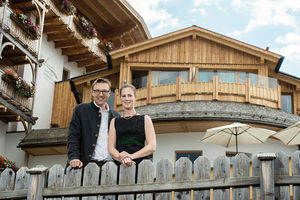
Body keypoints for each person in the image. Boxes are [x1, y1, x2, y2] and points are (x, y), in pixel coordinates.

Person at [67, 78, 120, 168]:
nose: (100, 94)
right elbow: (73, 136)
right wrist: (74, 157)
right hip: (86, 165)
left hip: (110, 166)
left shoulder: (116, 116)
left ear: (109, 93)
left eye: (104, 91)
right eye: (97, 91)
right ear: (92, 92)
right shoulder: (80, 110)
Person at [108, 84, 156, 167]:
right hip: (120, 164)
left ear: (135, 97)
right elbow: (111, 148)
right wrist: (122, 159)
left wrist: (131, 157)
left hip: (141, 164)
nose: (127, 99)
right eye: (124, 96)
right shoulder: (114, 121)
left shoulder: (145, 119)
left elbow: (152, 146)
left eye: (130, 95)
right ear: (120, 99)